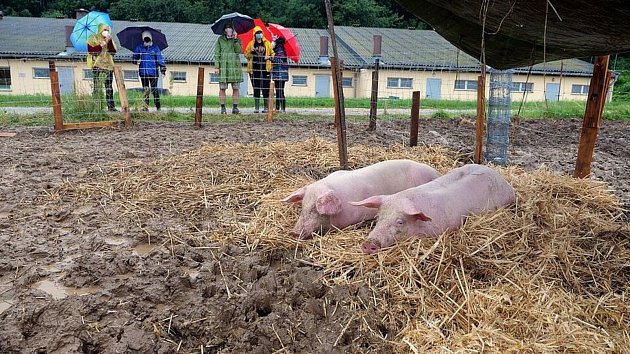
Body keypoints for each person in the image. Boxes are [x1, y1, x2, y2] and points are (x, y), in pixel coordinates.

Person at [132, 31, 167, 112]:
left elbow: (160, 59)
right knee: (145, 90)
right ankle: (145, 107)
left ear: (151, 38)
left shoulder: (155, 48)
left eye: (148, 38)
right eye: (145, 39)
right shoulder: (139, 48)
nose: (146, 40)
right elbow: (134, 57)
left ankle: (158, 107)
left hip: (153, 73)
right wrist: (136, 61)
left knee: (155, 90)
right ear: (143, 39)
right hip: (143, 72)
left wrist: (163, 69)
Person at [87, 23, 118, 112]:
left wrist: (109, 42)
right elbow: (91, 51)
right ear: (100, 30)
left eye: (107, 30)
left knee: (109, 87)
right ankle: (96, 107)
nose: (106, 32)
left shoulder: (109, 39)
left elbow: (113, 52)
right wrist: (101, 45)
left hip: (108, 65)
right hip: (97, 65)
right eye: (104, 30)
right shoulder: (93, 38)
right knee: (97, 86)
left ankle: (111, 107)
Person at [214, 23, 243, 114]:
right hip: (223, 67)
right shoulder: (220, 39)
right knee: (222, 88)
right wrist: (217, 66)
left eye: (230, 27)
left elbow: (238, 50)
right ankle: (223, 108)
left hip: (234, 67)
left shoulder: (237, 39)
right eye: (227, 28)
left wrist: (235, 39)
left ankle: (235, 108)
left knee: (236, 88)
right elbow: (216, 53)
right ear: (224, 30)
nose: (228, 29)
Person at [245, 26, 273, 113]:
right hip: (254, 69)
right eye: (257, 33)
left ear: (262, 33)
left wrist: (269, 57)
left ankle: (266, 107)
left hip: (265, 69)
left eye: (260, 33)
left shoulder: (267, 43)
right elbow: (246, 56)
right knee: (256, 88)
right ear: (254, 34)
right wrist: (251, 51)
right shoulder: (250, 44)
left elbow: (273, 54)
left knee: (265, 88)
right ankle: (256, 107)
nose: (259, 35)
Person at [271, 36, 289, 113]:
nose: (273, 43)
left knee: (279, 91)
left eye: (274, 41)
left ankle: (279, 108)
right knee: (280, 90)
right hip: (282, 73)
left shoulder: (279, 50)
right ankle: (281, 108)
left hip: (279, 73)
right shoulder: (283, 50)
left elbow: (277, 60)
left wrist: (269, 58)